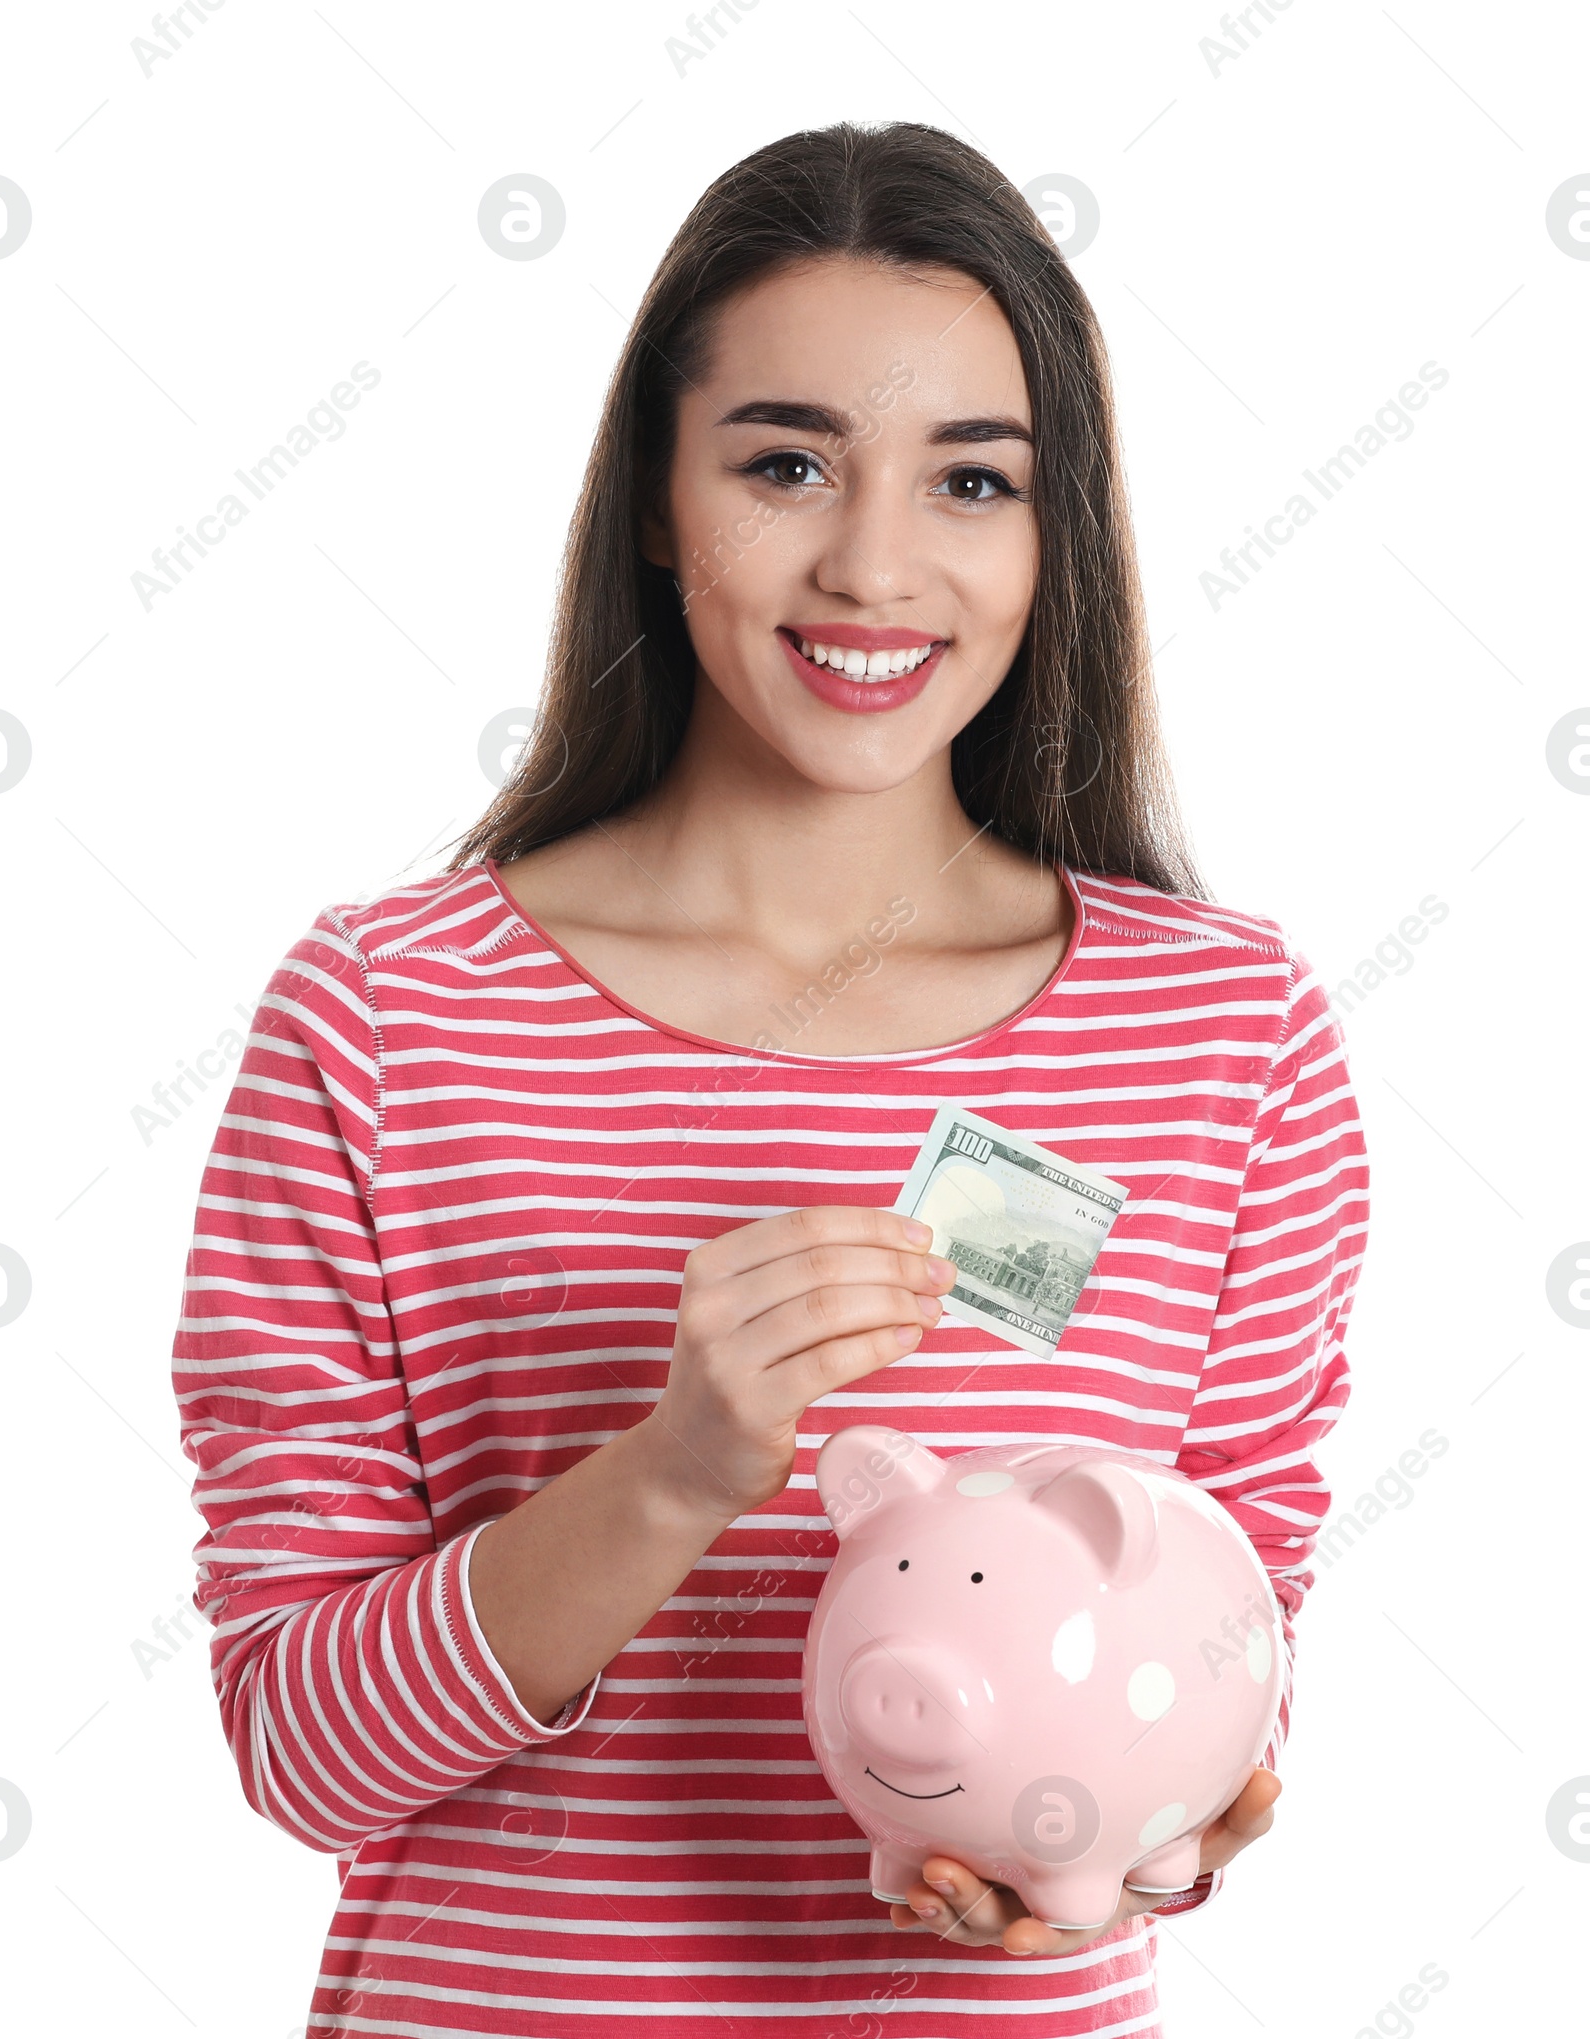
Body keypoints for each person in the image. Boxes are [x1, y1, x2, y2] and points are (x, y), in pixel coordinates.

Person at [174, 120, 1369, 2037]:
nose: (877, 564)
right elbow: (301, 1755)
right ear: (658, 496)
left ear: (1053, 535)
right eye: (789, 463)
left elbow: (1233, 1648)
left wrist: (1151, 1844)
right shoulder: (390, 1019)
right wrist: (669, 1477)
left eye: (972, 480)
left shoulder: (1227, 1040)